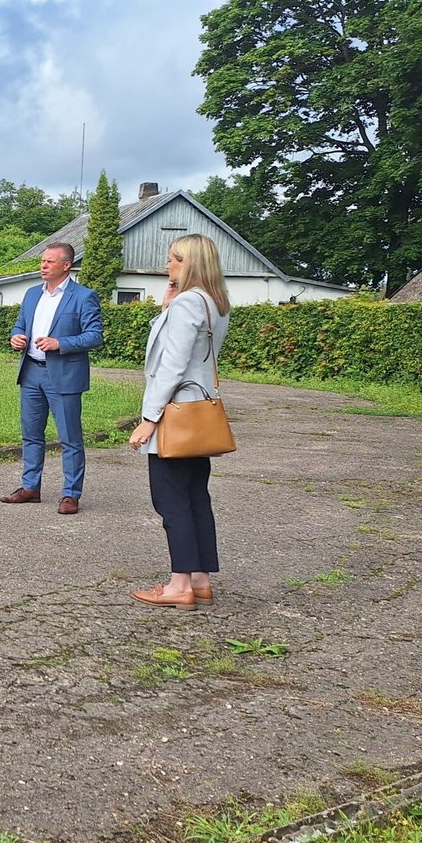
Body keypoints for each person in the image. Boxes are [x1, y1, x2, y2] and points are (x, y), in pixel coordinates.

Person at [126, 234, 232, 610]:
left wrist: (148, 418)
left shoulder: (189, 302)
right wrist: (166, 306)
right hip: (199, 412)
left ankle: (178, 585)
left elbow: (171, 364)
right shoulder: (215, 303)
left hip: (175, 413)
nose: (167, 265)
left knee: (171, 501)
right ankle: (200, 579)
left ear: (189, 263)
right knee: (194, 497)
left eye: (173, 260)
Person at [2, 241, 104, 514]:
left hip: (65, 375)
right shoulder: (32, 294)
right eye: (43, 261)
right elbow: (20, 324)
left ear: (66, 265)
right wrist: (16, 336)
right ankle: (30, 487)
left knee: (70, 438)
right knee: (31, 434)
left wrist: (61, 343)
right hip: (31, 371)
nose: (43, 265)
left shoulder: (83, 296)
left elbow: (95, 336)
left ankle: (71, 494)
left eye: (49, 261)